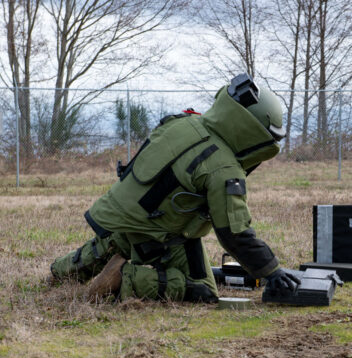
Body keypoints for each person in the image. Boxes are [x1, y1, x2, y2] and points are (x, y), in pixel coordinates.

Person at [50, 73, 300, 302]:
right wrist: (272, 271)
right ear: (253, 135)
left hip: (127, 215)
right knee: (202, 289)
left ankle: (61, 271)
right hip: (163, 232)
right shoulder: (224, 170)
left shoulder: (183, 122)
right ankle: (125, 277)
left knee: (125, 237)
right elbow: (235, 234)